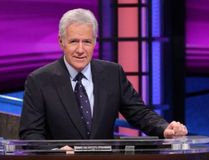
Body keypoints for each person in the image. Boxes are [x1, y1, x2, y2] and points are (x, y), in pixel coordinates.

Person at [19, 8, 188, 140]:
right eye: (73, 42)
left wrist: (165, 128)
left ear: (95, 42)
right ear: (61, 41)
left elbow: (139, 113)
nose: (80, 50)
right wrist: (55, 153)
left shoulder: (112, 74)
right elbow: (30, 134)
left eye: (86, 42)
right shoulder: (39, 81)